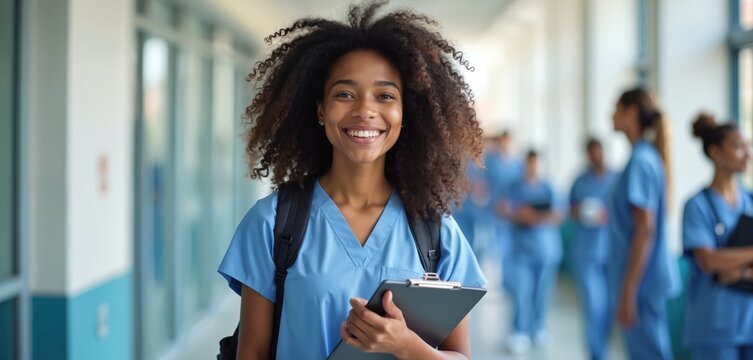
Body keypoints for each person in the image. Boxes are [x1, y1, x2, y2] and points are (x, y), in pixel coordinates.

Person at [216, 2, 486, 359]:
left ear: (405, 114)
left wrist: (406, 346)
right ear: (320, 108)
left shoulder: (436, 232)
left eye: (385, 96)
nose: (365, 110)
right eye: (344, 93)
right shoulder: (272, 225)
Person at [607, 87, 680, 360]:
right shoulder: (645, 157)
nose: (611, 115)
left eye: (616, 108)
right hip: (645, 279)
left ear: (631, 112)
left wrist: (629, 291)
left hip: (642, 282)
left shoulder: (640, 160)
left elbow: (645, 230)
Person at [682, 112, 753, 360]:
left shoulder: (750, 201)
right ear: (716, 153)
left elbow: (719, 260)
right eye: (739, 148)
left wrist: (741, 271)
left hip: (749, 323)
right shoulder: (697, 206)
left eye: (748, 148)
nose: (748, 155)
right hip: (714, 326)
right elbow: (708, 261)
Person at [506, 150, 563, 354]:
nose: (532, 168)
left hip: (546, 251)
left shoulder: (549, 188)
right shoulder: (514, 187)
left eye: (535, 164)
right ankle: (520, 330)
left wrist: (533, 216)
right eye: (529, 163)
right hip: (522, 251)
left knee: (542, 292)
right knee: (522, 291)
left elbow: (558, 215)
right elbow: (503, 209)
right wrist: (518, 215)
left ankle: (538, 328)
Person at [568, 138, 616, 360]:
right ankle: (597, 355)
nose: (596, 156)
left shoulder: (616, 179)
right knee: (594, 306)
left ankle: (602, 350)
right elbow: (569, 210)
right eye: (592, 153)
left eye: (599, 152)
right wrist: (582, 212)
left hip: (612, 253)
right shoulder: (580, 181)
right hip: (586, 253)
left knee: (609, 309)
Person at [485, 131, 524, 292]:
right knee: (499, 246)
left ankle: (509, 281)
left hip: (512, 212)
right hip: (497, 210)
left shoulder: (517, 163)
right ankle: (503, 281)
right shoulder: (491, 161)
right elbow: (485, 183)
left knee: (510, 247)